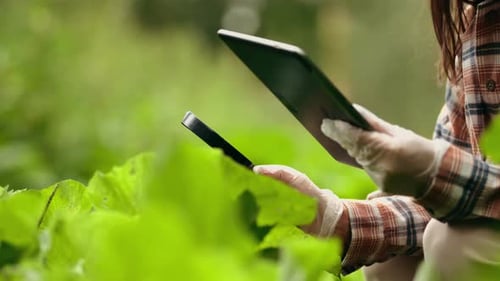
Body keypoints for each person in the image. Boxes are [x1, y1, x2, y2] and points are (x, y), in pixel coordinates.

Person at [253, 0, 500, 280]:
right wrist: (333, 220)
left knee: (452, 247)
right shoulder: (480, 21)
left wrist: (433, 170)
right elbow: (460, 203)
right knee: (390, 263)